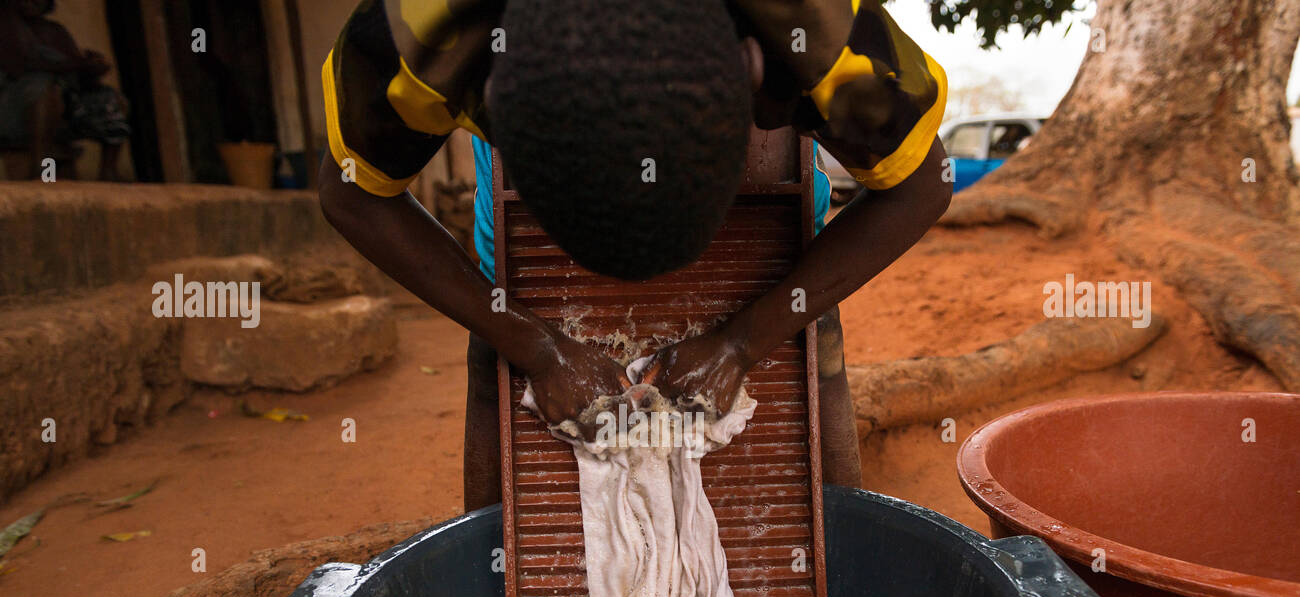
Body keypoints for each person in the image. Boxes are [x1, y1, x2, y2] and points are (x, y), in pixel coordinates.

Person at [318, 0, 952, 509]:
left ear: (754, 70)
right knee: (499, 362)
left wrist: (747, 340)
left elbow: (924, 185)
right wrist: (528, 342)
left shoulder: (824, 33)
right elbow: (351, 195)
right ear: (491, 98)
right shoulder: (419, 36)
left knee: (810, 339)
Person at [0, 0, 130, 181]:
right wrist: (73, 65)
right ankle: (43, 171)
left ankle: (109, 171)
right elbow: (20, 66)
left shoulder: (55, 31)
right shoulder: (7, 27)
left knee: (111, 99)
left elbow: (77, 73)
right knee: (43, 88)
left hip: (65, 108)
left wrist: (91, 68)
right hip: (15, 112)